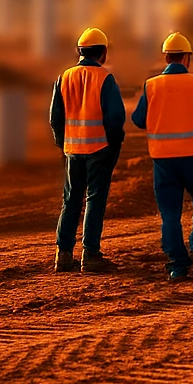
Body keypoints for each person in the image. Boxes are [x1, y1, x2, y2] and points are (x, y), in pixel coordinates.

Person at [129, 31, 193, 283]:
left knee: (170, 213)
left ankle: (177, 266)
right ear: (187, 58)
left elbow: (138, 120)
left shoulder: (151, 85)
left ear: (166, 57)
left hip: (163, 161)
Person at [48, 27, 127, 273]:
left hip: (73, 150)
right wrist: (114, 144)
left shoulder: (64, 77)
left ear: (79, 51)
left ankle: (63, 255)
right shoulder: (105, 79)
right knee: (94, 199)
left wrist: (64, 144)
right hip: (99, 148)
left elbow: (55, 118)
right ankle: (90, 254)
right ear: (102, 53)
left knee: (71, 200)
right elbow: (115, 119)